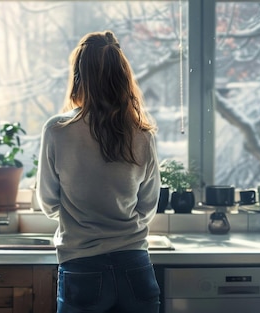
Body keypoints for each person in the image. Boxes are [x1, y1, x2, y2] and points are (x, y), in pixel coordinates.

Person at [36, 30, 161, 313]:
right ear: (122, 77)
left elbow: (48, 203)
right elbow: (147, 206)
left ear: (79, 77)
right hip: (135, 268)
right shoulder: (143, 134)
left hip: (83, 268)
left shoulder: (58, 131)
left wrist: (82, 218)